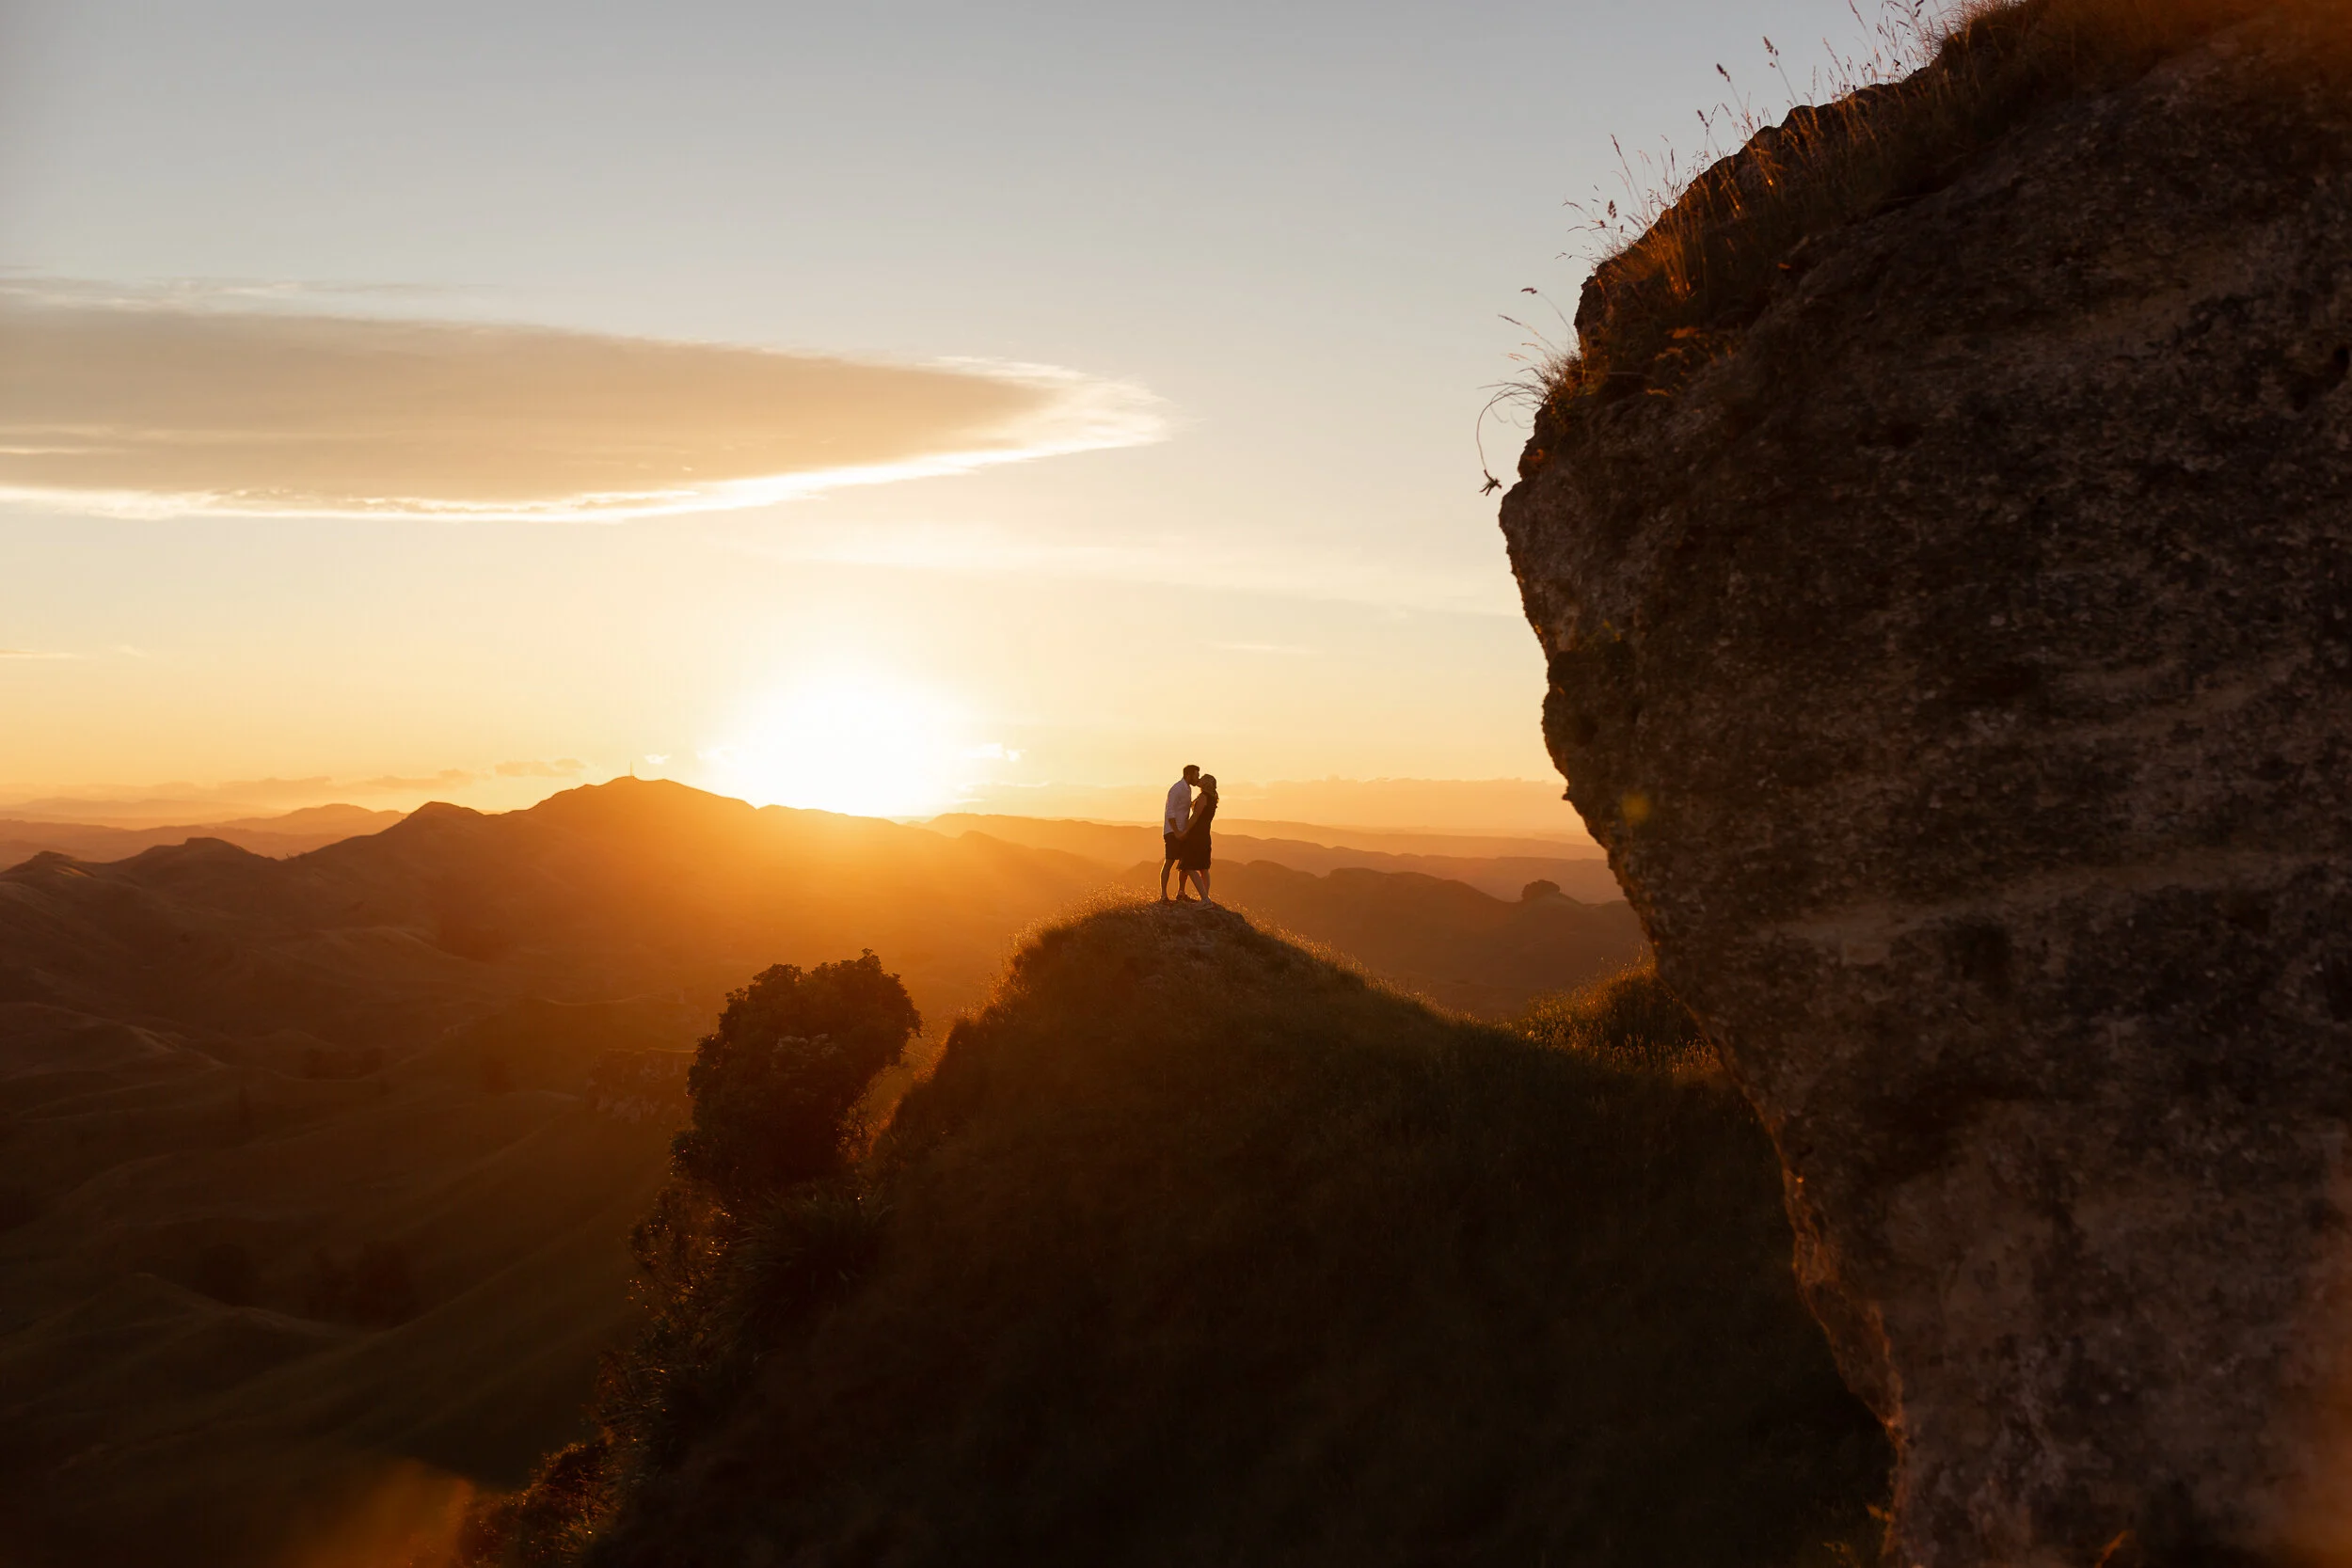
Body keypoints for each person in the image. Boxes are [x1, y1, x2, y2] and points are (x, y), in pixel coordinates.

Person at [1176, 773, 1218, 905]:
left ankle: (1205, 899)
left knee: (1188, 865)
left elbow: (1195, 817)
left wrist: (1184, 831)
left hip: (1196, 835)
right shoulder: (1213, 798)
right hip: (1205, 834)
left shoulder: (1204, 797)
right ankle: (1204, 897)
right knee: (1203, 867)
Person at [1161, 764, 1200, 902]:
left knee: (1185, 863)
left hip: (1181, 831)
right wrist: (1176, 832)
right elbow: (1170, 812)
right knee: (1169, 862)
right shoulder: (1176, 789)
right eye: (1196, 775)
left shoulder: (1187, 789)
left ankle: (1181, 893)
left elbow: (1183, 808)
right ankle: (1164, 896)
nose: (1198, 778)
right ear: (1188, 775)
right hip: (1172, 831)